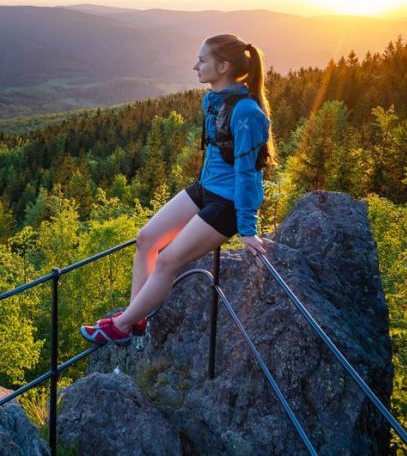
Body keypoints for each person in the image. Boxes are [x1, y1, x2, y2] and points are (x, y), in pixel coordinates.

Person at [81, 33, 274, 345]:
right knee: (146, 240)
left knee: (169, 260)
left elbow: (249, 174)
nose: (195, 66)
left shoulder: (246, 113)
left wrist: (247, 226)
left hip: (227, 204)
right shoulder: (213, 100)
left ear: (223, 66)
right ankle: (137, 315)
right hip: (205, 189)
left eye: (202, 60)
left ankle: (120, 326)